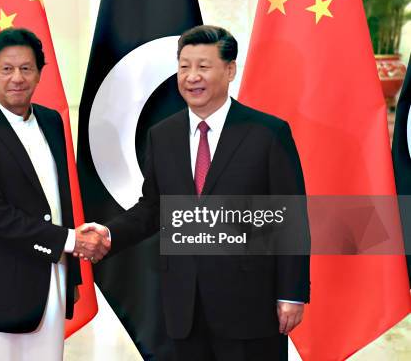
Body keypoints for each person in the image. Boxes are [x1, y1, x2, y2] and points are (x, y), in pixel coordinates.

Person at [81, 25, 310, 360]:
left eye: (203, 66)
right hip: (184, 307)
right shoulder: (163, 136)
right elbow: (154, 208)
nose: (191, 77)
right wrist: (110, 233)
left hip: (250, 305)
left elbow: (290, 220)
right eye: (184, 66)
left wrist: (291, 292)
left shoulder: (267, 133)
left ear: (229, 70)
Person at [0, 27, 110, 361]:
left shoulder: (52, 122)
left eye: (26, 68)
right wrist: (70, 242)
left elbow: (60, 202)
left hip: (50, 281)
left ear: (39, 74)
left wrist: (73, 277)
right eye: (7, 69)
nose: (17, 78)